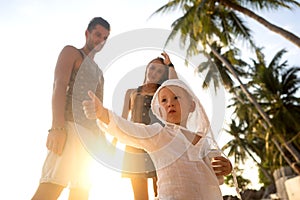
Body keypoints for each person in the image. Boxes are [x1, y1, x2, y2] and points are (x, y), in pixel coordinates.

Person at [83, 76, 233, 199]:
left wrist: (226, 168)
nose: (170, 104)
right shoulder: (160, 135)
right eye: (164, 100)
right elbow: (129, 130)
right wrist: (102, 113)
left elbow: (215, 177)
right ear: (159, 110)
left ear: (192, 105)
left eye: (176, 98)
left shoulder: (204, 142)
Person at [32, 17, 111, 200]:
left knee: (81, 192)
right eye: (98, 34)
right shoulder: (72, 53)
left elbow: (98, 110)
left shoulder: (99, 72)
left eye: (105, 38)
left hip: (90, 138)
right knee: (51, 186)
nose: (100, 40)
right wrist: (57, 127)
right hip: (69, 128)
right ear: (87, 33)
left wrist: (102, 141)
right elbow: (59, 86)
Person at [116, 52, 178, 200]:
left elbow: (177, 87)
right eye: (152, 68)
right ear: (147, 68)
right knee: (139, 196)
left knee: (162, 193)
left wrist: (170, 66)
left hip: (158, 143)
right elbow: (123, 120)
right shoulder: (130, 92)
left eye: (159, 71)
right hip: (134, 145)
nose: (154, 73)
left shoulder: (163, 93)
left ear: (163, 75)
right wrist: (113, 140)